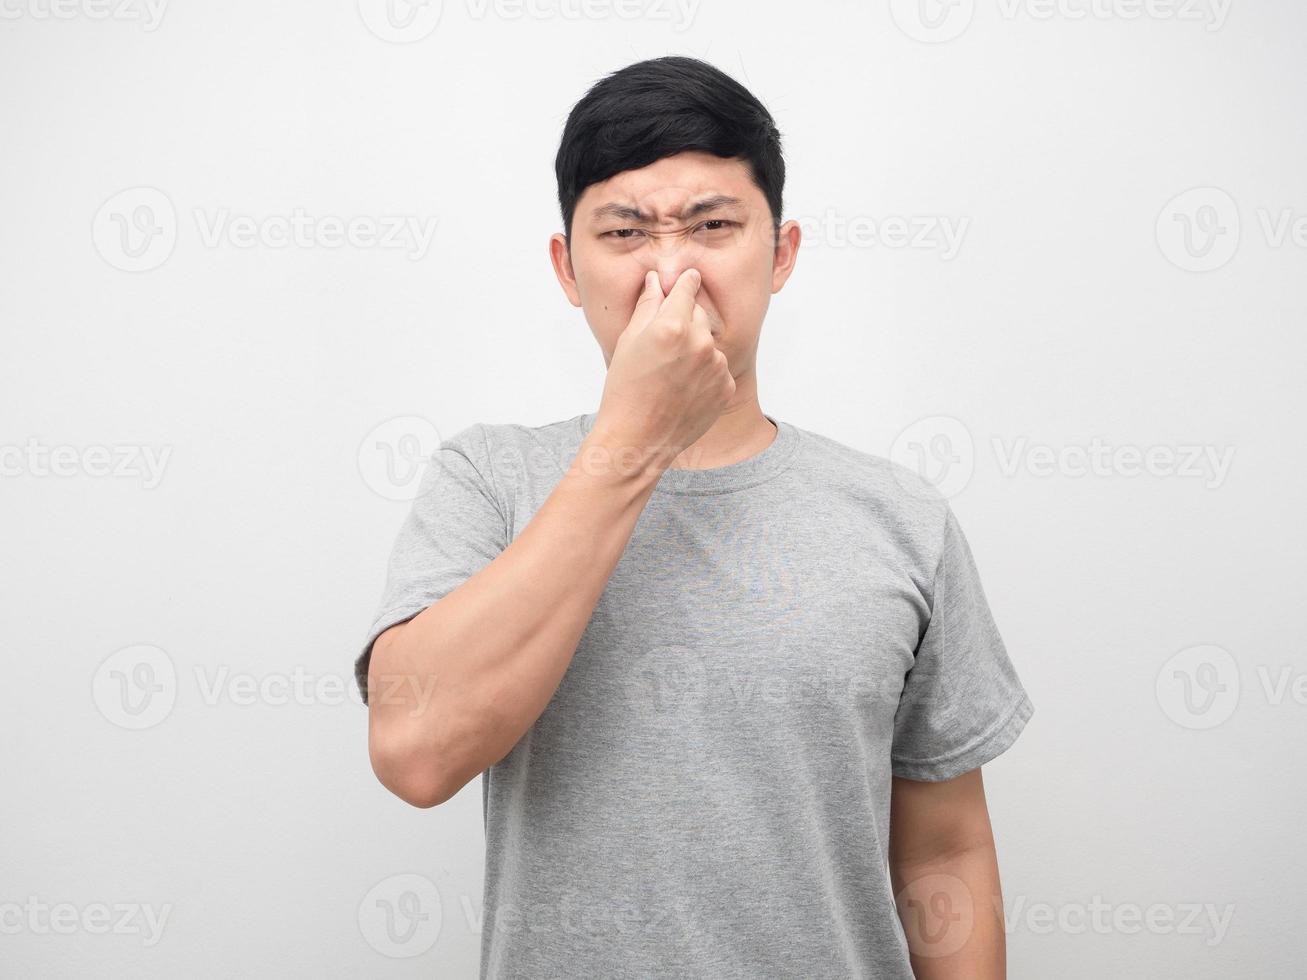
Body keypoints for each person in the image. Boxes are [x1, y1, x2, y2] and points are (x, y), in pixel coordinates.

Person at [354, 54, 1034, 980]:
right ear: (566, 267)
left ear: (780, 253)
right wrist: (632, 439)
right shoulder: (488, 479)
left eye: (712, 226)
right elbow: (414, 753)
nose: (669, 270)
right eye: (624, 231)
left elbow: (942, 850)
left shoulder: (900, 517)